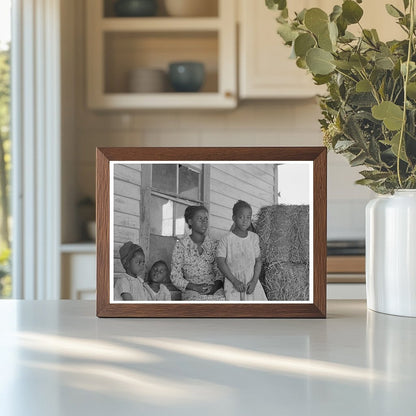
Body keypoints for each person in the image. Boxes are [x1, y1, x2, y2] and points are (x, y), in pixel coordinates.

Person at [170, 205, 225, 301]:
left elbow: (220, 271)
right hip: (192, 289)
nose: (204, 222)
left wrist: (214, 287)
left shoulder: (214, 244)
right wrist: (194, 287)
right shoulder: (181, 246)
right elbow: (175, 275)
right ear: (190, 221)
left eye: (206, 219)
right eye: (200, 219)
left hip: (213, 288)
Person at [216, 200, 268, 301]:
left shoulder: (254, 238)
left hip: (252, 283)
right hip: (233, 283)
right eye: (241, 217)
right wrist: (234, 281)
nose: (245, 221)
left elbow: (258, 261)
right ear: (234, 218)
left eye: (248, 217)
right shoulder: (226, 239)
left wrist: (254, 282)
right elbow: (220, 262)